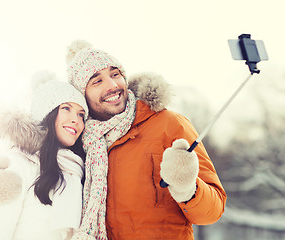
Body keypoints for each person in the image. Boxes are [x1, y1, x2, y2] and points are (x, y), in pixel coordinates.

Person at [65, 40, 227, 240]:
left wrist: (188, 188)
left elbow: (213, 211)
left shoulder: (170, 124)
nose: (113, 85)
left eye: (115, 74)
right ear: (82, 94)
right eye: (97, 81)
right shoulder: (81, 145)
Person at [0, 74, 88, 240]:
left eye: (81, 114)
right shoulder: (17, 164)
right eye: (66, 108)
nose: (76, 120)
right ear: (47, 113)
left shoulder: (76, 172)